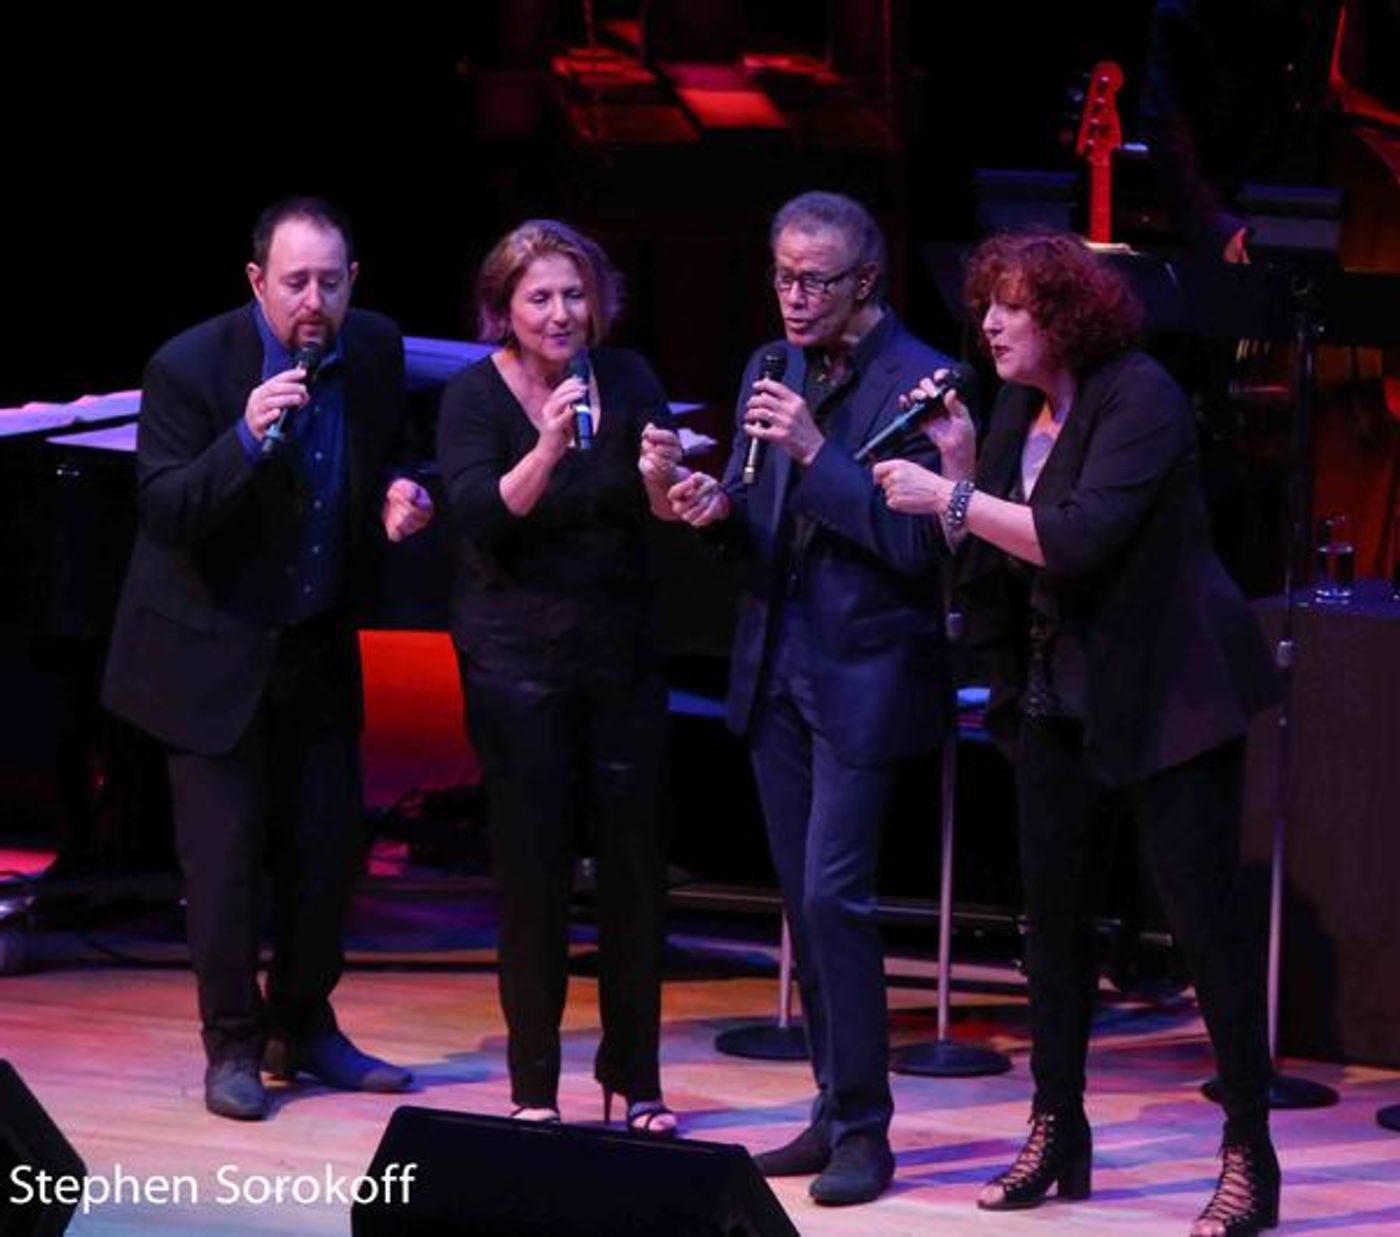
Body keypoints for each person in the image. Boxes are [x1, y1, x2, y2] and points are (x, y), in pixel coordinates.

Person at [873, 230, 1279, 1236]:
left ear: (1065, 314)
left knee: (1202, 931)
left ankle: (1248, 1156)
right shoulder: (1016, 406)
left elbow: (1078, 538)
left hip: (1167, 691)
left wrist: (954, 496)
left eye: (1010, 305)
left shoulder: (1135, 394)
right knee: (1049, 928)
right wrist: (966, 469)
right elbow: (996, 565)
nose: (990, 324)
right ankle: (1056, 1129)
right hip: (1057, 691)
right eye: (985, 305)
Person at [641, 191, 953, 1206]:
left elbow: (916, 545)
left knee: (834, 896)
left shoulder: (921, 383)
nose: (793, 294)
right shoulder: (765, 368)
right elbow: (754, 527)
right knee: (803, 904)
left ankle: (866, 1126)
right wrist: (705, 508)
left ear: (865, 279)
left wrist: (817, 453)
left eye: (815, 277)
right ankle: (829, 1107)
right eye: (780, 272)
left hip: (863, 677)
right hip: (774, 670)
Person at [102, 197, 432, 1120]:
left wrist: (404, 492)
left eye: (331, 281)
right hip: (208, 657)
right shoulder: (189, 366)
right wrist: (244, 437)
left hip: (314, 646)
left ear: (354, 280)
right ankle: (232, 1047)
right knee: (224, 867)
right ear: (257, 282)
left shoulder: (372, 349)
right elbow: (165, 507)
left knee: (329, 853)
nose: (314, 301)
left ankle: (306, 1023)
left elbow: (396, 452)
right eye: (295, 283)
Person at [437, 220, 677, 1135]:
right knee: (533, 880)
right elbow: (478, 518)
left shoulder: (632, 378)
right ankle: (533, 1086)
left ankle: (637, 1079)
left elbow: (654, 510)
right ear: (504, 309)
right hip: (515, 667)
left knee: (633, 877)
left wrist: (666, 479)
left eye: (575, 294)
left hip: (620, 659)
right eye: (540, 296)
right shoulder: (472, 397)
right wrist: (544, 446)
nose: (561, 312)